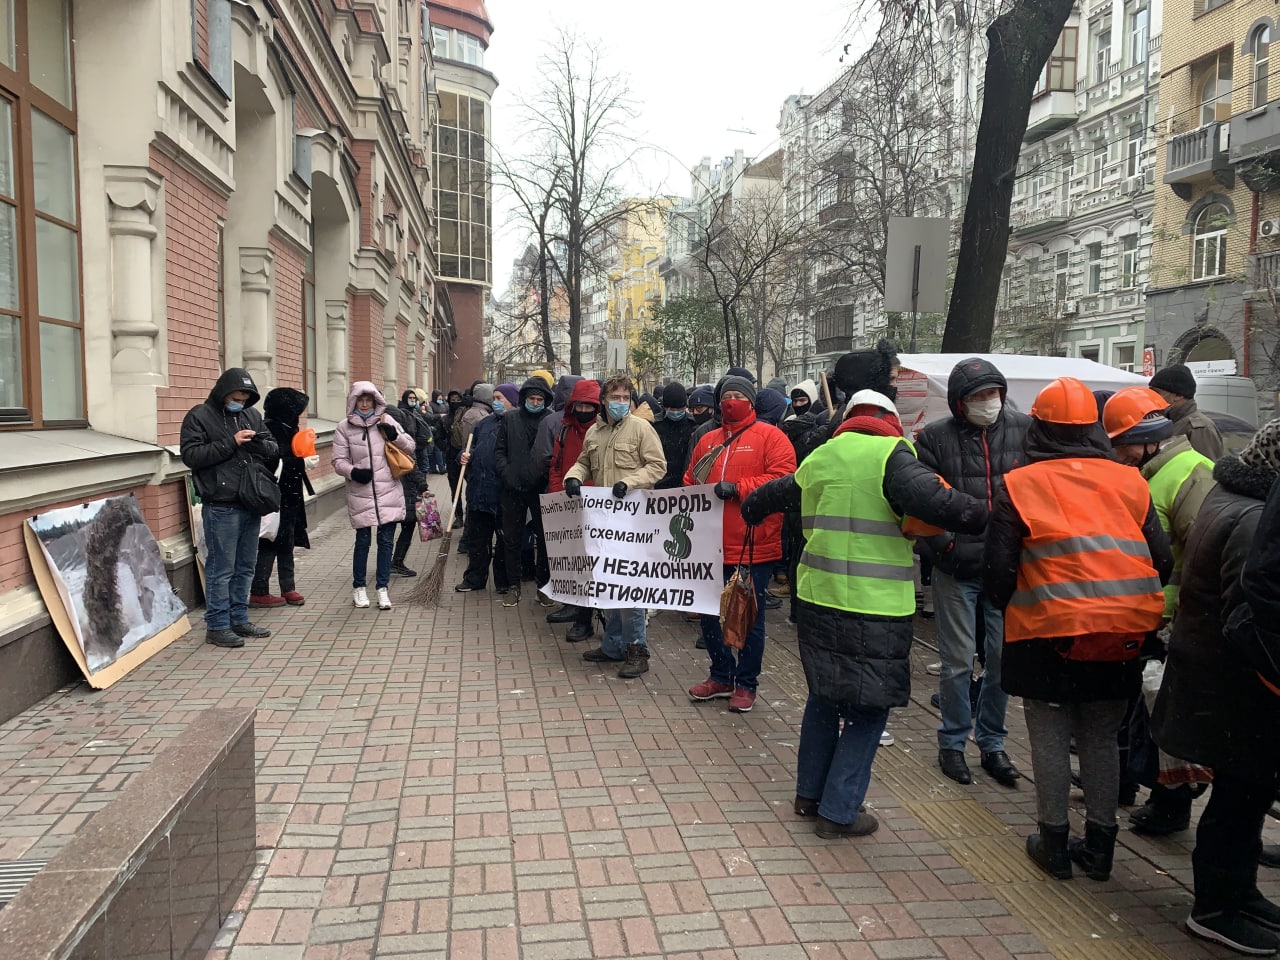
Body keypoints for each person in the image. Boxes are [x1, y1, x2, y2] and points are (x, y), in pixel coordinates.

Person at [742, 391, 988, 839]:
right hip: (875, 605)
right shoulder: (891, 455)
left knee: (823, 699)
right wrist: (989, 512)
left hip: (818, 599)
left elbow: (774, 494)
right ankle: (839, 812)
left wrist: (751, 508)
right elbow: (943, 505)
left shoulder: (823, 455)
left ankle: (808, 796)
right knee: (869, 708)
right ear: (890, 421)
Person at [985, 377, 1171, 883]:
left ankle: (1053, 844)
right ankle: (1101, 847)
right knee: (1101, 737)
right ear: (1093, 426)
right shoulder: (1130, 482)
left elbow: (998, 575)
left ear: (1038, 428)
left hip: (1045, 634)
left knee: (1048, 739)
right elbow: (1162, 561)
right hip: (1121, 635)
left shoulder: (1020, 484)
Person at [1152, 420, 1280, 956]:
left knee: (1241, 797)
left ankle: (1239, 893)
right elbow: (1247, 615)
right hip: (1235, 686)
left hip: (1213, 677)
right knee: (1238, 799)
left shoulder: (1229, 494)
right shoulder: (1254, 518)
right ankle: (1215, 908)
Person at [1103, 386, 1217, 836]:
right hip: (1147, 615)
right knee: (1147, 714)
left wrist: (1179, 620)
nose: (1118, 454)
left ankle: (1171, 804)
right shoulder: (1154, 472)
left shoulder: (1191, 473)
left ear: (1147, 438)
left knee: (1165, 718)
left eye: (1122, 444)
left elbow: (1203, 559)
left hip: (1171, 620)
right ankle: (1145, 788)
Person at [916, 359, 1030, 788]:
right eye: (978, 396)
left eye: (993, 393)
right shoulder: (934, 438)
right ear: (959, 402)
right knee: (957, 662)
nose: (988, 402)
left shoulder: (1024, 430)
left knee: (1001, 662)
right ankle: (952, 742)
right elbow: (923, 500)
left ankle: (993, 742)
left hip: (1005, 568)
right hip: (957, 566)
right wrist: (944, 544)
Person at [683, 373, 797, 713]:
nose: (731, 401)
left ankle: (747, 683)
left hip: (752, 544)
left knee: (747, 618)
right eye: (726, 396)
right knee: (709, 615)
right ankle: (721, 675)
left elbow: (783, 480)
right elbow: (690, 480)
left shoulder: (772, 437)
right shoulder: (707, 440)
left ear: (751, 401)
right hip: (710, 545)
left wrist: (738, 488)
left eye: (738, 395)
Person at [564, 375, 667, 678]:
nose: (621, 403)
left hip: (633, 521)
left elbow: (657, 466)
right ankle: (613, 645)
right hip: (604, 520)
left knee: (630, 585)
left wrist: (629, 482)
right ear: (604, 401)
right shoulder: (595, 432)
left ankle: (637, 649)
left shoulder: (641, 428)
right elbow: (584, 462)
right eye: (615, 397)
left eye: (625, 398)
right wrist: (574, 476)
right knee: (608, 581)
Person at [180, 368, 279, 648]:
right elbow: (191, 455)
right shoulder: (199, 416)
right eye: (236, 398)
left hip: (250, 501)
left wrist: (260, 444)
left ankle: (239, 619)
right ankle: (217, 625)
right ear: (223, 393)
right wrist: (231, 443)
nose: (240, 402)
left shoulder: (251, 415)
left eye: (245, 398)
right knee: (221, 569)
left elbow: (273, 447)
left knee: (245, 567)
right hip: (221, 504)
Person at [332, 382, 416, 611]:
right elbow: (338, 461)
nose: (365, 404)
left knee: (386, 541)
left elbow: (410, 446)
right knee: (363, 542)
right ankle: (359, 587)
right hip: (361, 492)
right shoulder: (344, 427)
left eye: (368, 400)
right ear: (353, 401)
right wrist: (353, 472)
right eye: (360, 400)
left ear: (376, 400)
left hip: (388, 490)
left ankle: (382, 588)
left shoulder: (386, 421)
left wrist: (394, 436)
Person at [546, 379, 604, 639]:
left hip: (597, 506)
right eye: (579, 406)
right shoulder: (565, 431)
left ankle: (589, 618)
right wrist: (557, 494)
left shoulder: (603, 431)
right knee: (573, 561)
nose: (583, 411)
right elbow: (556, 465)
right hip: (568, 503)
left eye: (589, 406)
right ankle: (576, 609)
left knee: (592, 564)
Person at [249, 387, 312, 609]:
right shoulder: (271, 429)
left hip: (290, 495)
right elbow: (273, 459)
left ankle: (288, 587)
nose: (299, 416)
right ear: (286, 410)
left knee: (287, 540)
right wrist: (300, 462)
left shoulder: (288, 428)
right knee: (270, 541)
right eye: (297, 411)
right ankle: (259, 590)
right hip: (273, 497)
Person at [495, 376, 554, 607]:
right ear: (524, 399)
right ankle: (513, 585)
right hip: (512, 487)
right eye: (532, 399)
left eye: (540, 399)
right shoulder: (510, 419)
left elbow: (552, 454)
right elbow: (499, 451)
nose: (536, 403)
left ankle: (543, 586)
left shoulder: (550, 420)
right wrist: (507, 474)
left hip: (540, 487)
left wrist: (540, 475)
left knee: (545, 538)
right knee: (511, 538)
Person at [454, 389, 510, 595]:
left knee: (503, 541)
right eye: (494, 398)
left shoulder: (514, 424)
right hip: (479, 491)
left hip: (502, 494)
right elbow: (471, 447)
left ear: (511, 401)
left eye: (499, 398)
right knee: (478, 540)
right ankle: (474, 578)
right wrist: (464, 455)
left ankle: (503, 581)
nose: (495, 402)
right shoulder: (484, 424)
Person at [386, 389, 434, 578]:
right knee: (404, 526)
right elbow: (412, 466)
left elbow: (413, 465)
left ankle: (391, 561)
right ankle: (394, 561)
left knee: (393, 528)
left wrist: (422, 485)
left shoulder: (398, 441)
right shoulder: (402, 442)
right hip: (402, 491)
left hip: (399, 492)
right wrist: (422, 485)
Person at [1149, 363, 1225, 460]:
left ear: (1178, 396)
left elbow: (1206, 467)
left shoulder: (1199, 428)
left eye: (1156, 393)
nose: (1151, 397)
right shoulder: (1168, 421)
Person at [653, 381, 695, 490]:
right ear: (664, 407)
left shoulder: (693, 425)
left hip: (685, 483)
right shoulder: (653, 425)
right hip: (659, 483)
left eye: (679, 409)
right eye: (672, 409)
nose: (675, 412)